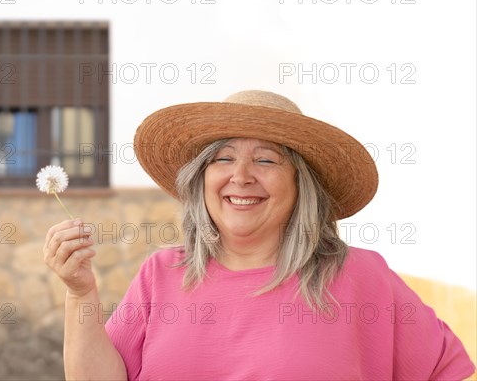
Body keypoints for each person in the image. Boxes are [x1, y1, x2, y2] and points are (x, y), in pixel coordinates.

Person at [43, 90, 476, 380]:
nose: (241, 176)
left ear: (301, 185)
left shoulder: (358, 275)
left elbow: (445, 372)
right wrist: (80, 294)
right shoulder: (162, 273)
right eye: (223, 158)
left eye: (266, 161)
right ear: (202, 180)